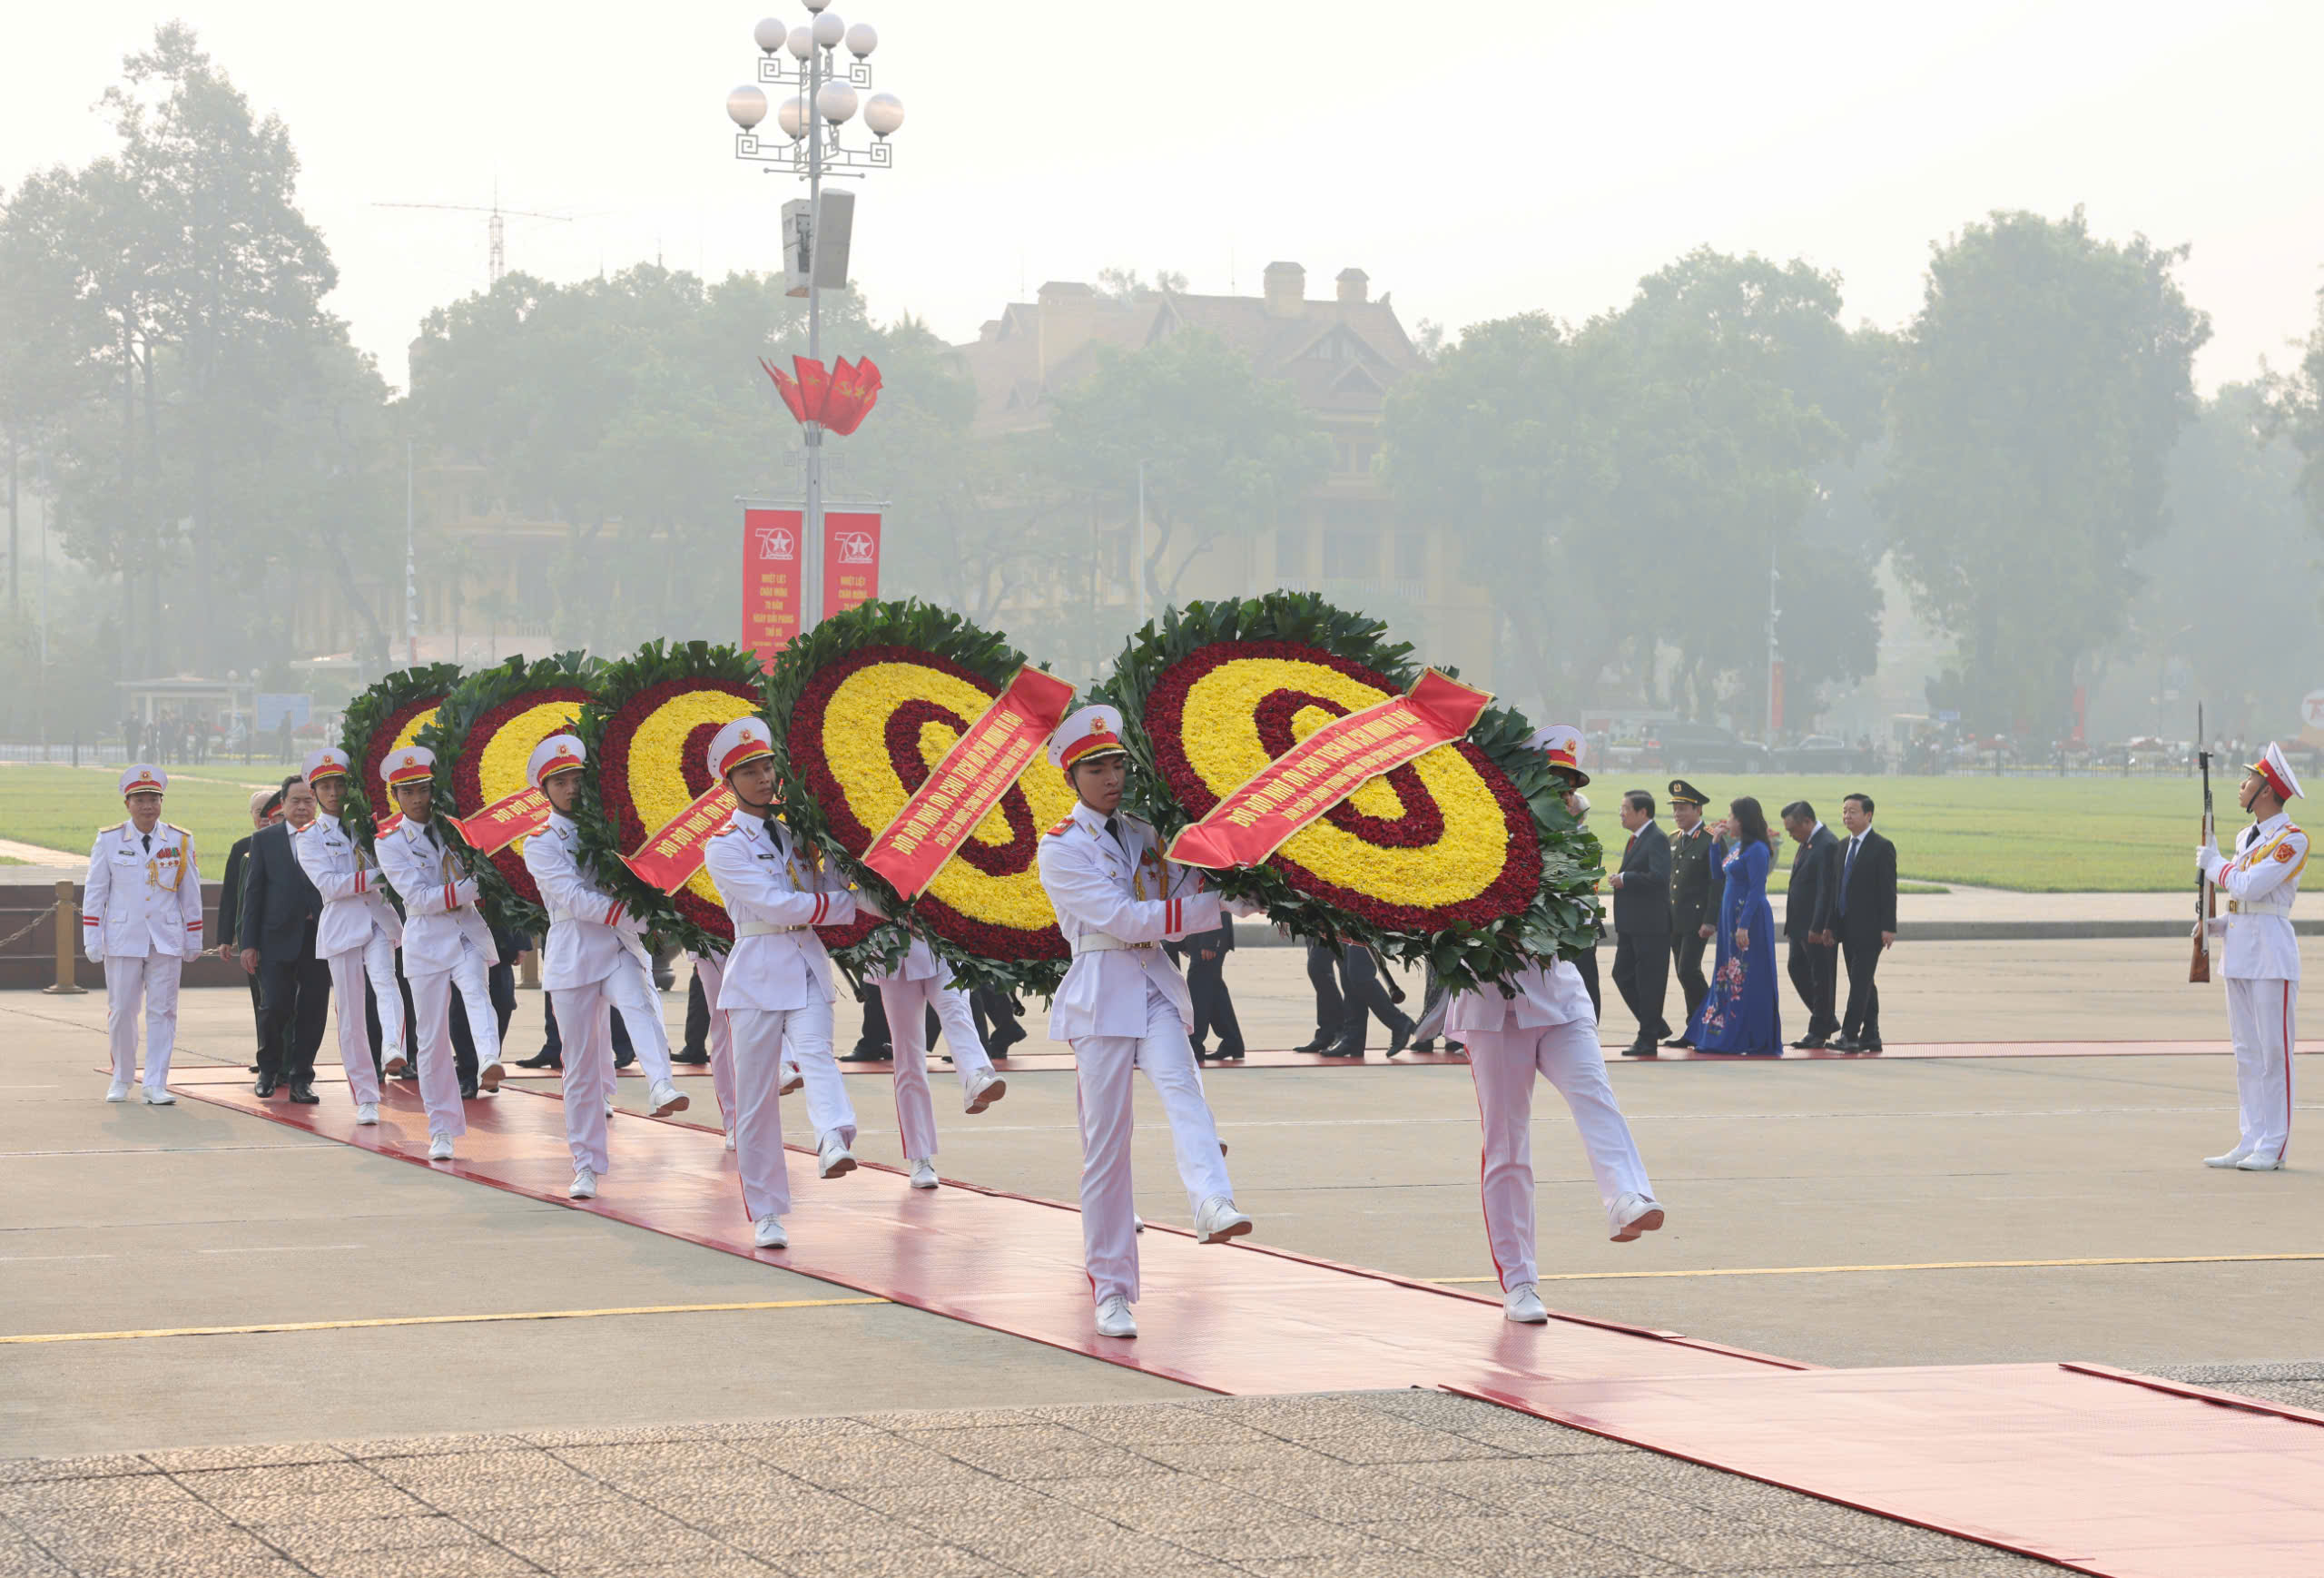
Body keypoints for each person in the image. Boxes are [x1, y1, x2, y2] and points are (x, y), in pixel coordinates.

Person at [1036, 704, 1253, 1340]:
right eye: (1096, 768)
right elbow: (1127, 919)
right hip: (1101, 992)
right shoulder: (1061, 848)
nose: (1112, 777)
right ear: (1072, 776)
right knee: (1106, 1149)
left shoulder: (1146, 833)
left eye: (1118, 765)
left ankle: (1213, 1202)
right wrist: (1215, 905)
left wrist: (1253, 883)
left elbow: (1193, 888)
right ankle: (1111, 1288)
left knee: (1184, 1086)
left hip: (1154, 983)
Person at [703, 716, 873, 1249]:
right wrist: (846, 907)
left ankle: (832, 1137)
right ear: (727, 783)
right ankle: (767, 1212)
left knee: (818, 1054)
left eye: (767, 766)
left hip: (805, 963)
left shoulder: (799, 833)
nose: (763, 778)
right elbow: (774, 905)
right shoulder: (724, 844)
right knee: (755, 1101)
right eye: (749, 771)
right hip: (756, 973)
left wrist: (881, 897)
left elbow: (825, 883)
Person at [522, 735, 689, 1201]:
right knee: (579, 1067)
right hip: (574, 952)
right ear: (545, 789)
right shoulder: (540, 843)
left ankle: (660, 1084)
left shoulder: (611, 827)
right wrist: (634, 915)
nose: (572, 788)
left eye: (577, 779)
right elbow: (572, 898)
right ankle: (586, 1163)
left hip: (616, 945)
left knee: (640, 1003)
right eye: (561, 781)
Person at [372, 745, 507, 1161]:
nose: (418, 798)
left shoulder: (455, 827)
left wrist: (477, 883)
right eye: (408, 791)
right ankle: (441, 1128)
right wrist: (469, 888)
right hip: (426, 939)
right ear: (396, 797)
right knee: (430, 1041)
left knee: (477, 993)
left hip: (465, 931)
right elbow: (416, 896)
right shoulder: (390, 842)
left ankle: (489, 1060)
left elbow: (485, 863)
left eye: (423, 789)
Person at [2197, 743, 2306, 1170]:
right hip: (2240, 950)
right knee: (2245, 1050)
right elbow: (2240, 904)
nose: (2242, 785)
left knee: (2274, 1052)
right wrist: (2215, 926)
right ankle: (2251, 1136)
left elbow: (2248, 887)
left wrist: (2214, 865)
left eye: (2249, 779)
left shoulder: (2291, 840)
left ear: (2267, 791)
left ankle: (2273, 1144)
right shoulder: (2247, 837)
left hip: (2271, 955)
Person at [83, 765, 204, 1104]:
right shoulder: (109, 839)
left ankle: (155, 1082)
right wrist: (91, 936)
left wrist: (194, 936)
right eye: (140, 799)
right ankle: (121, 1077)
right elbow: (95, 891)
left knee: (163, 1012)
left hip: (165, 937)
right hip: (123, 937)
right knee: (122, 1010)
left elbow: (190, 893)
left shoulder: (180, 839)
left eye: (154, 798)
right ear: (127, 803)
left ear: (162, 802)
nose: (147, 805)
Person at [294, 747, 403, 1123]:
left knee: (386, 982)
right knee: (352, 1014)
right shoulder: (309, 837)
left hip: (378, 918)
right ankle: (366, 1095)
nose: (335, 792)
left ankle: (392, 1048)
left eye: (340, 784)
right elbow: (329, 884)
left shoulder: (370, 824)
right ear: (315, 793)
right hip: (341, 925)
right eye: (326, 787)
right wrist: (380, 875)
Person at [864, 938, 1008, 1188]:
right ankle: (920, 1157)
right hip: (895, 952)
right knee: (908, 1055)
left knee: (957, 1010)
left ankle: (976, 1077)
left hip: (944, 948)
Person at [238, 776, 331, 1103]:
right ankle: (268, 1070)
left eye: (309, 800)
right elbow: (253, 894)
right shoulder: (265, 840)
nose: (303, 807)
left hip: (319, 938)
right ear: (284, 804)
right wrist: (248, 943)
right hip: (275, 938)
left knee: (313, 1009)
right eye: (296, 801)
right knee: (274, 1005)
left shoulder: (330, 837)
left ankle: (302, 1078)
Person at [1686, 797, 1783, 1056]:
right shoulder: (1738, 846)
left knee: (1749, 975)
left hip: (1748, 919)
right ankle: (1723, 1028)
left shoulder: (1758, 850)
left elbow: (1756, 889)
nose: (1727, 821)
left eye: (1731, 817)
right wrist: (1715, 845)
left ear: (1742, 820)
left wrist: (1744, 926)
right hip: (1730, 918)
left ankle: (1749, 1033)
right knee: (1727, 973)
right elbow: (1719, 875)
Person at [216, 788, 281, 1073]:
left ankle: (289, 1060)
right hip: (252, 937)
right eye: (260, 811)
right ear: (253, 816)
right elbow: (231, 896)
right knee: (262, 1001)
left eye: (272, 810)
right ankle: (266, 1056)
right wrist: (224, 937)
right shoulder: (243, 847)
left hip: (286, 934)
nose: (266, 817)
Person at [1827, 792, 1897, 1053]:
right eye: (1844, 811)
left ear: (1868, 815)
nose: (1847, 816)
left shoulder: (1882, 847)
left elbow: (1888, 890)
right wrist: (1831, 926)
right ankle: (1871, 1035)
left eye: (1853, 811)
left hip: (1871, 929)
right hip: (1847, 926)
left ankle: (1850, 1035)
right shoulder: (1842, 846)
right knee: (1864, 981)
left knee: (1859, 983)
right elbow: (1837, 889)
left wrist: (1888, 927)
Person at [1608, 788, 1672, 1056]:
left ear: (1642, 812)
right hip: (1632, 924)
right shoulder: (1636, 839)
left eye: (1626, 809)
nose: (1621, 813)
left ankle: (1648, 1039)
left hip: (1651, 926)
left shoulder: (1656, 838)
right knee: (1621, 975)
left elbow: (1659, 877)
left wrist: (1626, 878)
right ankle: (1654, 1026)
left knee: (1649, 982)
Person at [1664, 779, 1725, 1050]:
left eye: (1683, 808)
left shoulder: (1711, 840)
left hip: (1697, 920)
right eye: (1675, 808)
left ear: (1698, 810)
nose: (1678, 814)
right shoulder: (1673, 839)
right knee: (1683, 972)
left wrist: (1711, 919)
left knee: (1688, 970)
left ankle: (1710, 1022)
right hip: (1675, 920)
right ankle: (1695, 1029)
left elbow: (1717, 882)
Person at [1778, 802, 1841, 1049]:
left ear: (1807, 822)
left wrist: (1819, 926)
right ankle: (1825, 1019)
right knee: (1796, 968)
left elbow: (1826, 891)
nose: (1791, 836)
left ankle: (1819, 1030)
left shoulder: (1827, 844)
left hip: (1815, 928)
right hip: (1799, 926)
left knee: (1821, 978)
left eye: (1793, 830)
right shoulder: (1808, 843)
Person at [1170, 916, 1245, 1062]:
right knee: (1214, 991)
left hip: (1209, 935)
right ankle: (1232, 1042)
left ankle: (1194, 1046)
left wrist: (1209, 942)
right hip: (1201, 935)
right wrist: (1185, 940)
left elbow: (1216, 902)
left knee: (1198, 991)